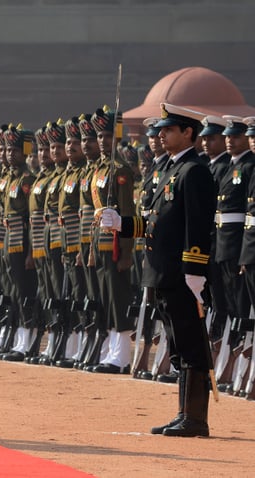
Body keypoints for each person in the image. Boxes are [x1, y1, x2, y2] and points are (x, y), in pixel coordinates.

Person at [99, 102, 215, 437]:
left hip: (182, 273)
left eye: (168, 130)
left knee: (191, 345)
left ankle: (195, 418)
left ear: (188, 133)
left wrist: (195, 270)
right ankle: (184, 413)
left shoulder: (194, 171)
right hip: (161, 270)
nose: (161, 135)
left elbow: (197, 224)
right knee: (177, 346)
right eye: (160, 130)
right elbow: (153, 223)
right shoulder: (168, 170)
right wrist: (121, 223)